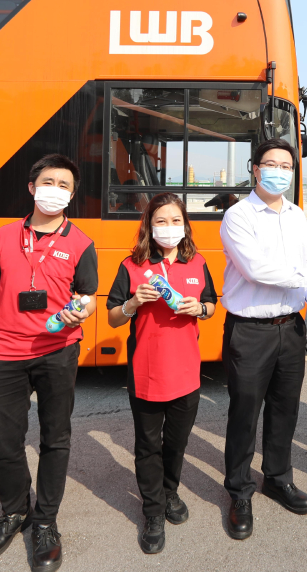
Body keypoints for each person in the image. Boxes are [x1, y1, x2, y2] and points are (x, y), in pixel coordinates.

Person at [0, 154, 97, 572]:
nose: (55, 190)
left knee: (55, 438)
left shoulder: (81, 243)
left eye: (64, 185)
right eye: (48, 182)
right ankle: (14, 511)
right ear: (31, 187)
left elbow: (89, 297)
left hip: (58, 352)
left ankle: (45, 521)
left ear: (72, 195)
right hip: (4, 353)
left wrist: (82, 311)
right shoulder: (3, 236)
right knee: (3, 441)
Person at [218, 137, 307, 540]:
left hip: (291, 328)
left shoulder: (295, 215)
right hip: (250, 331)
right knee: (244, 414)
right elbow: (257, 269)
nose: (279, 171)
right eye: (271, 164)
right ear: (255, 169)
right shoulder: (238, 216)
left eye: (286, 166)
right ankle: (239, 491)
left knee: (284, 410)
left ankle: (277, 478)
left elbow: (300, 265)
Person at [106, 193, 218, 554]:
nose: (169, 228)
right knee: (148, 447)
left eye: (175, 221)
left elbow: (212, 304)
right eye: (161, 221)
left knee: (177, 443)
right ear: (149, 226)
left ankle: (169, 492)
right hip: (147, 374)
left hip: (187, 374)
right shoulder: (131, 266)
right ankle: (152, 511)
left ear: (185, 225)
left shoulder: (197, 262)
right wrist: (133, 302)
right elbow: (112, 316)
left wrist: (199, 308)